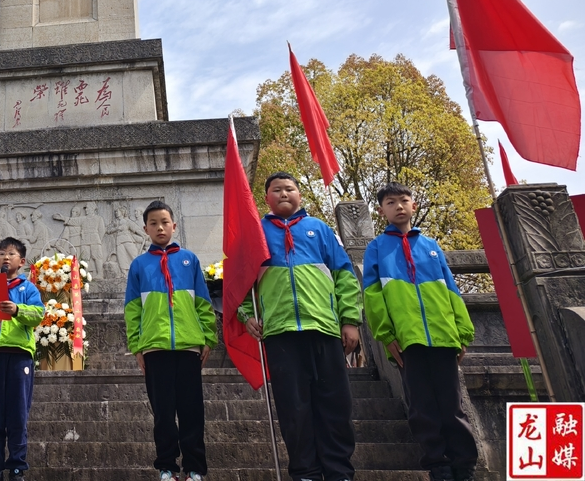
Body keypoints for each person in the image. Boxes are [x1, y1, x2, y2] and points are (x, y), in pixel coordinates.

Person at [239, 172, 361, 481]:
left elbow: (344, 276)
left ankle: (339, 471)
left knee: (335, 404)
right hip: (280, 333)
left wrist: (349, 320)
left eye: (289, 189)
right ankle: (306, 471)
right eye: (276, 190)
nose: (283, 193)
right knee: (294, 408)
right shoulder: (255, 234)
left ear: (300, 195)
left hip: (323, 328)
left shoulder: (319, 229)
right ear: (265, 198)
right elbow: (240, 281)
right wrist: (245, 314)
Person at [362, 183, 478, 481]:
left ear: (414, 205)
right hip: (406, 338)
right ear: (381, 210)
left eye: (404, 200)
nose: (399, 206)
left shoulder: (431, 245)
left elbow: (451, 289)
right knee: (421, 404)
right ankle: (437, 463)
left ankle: (464, 464)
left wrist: (462, 332)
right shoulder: (376, 248)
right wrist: (387, 335)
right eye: (391, 202)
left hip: (443, 335)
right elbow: (373, 296)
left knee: (452, 403)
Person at [125, 200, 217, 481]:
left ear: (174, 225)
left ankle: (195, 469)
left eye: (164, 222)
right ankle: (166, 467)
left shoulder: (190, 260)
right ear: (145, 229)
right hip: (155, 348)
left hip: (189, 346)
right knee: (163, 413)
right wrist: (137, 346)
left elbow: (203, 302)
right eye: (153, 223)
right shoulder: (139, 265)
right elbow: (132, 310)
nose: (160, 227)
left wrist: (208, 338)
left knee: (192, 412)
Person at [0, 237, 45, 481]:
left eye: (10, 254)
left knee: (17, 414)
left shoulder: (28, 288)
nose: (5, 257)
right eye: (1, 254)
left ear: (21, 261)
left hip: (19, 354)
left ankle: (16, 467)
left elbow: (38, 315)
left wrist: (17, 310)